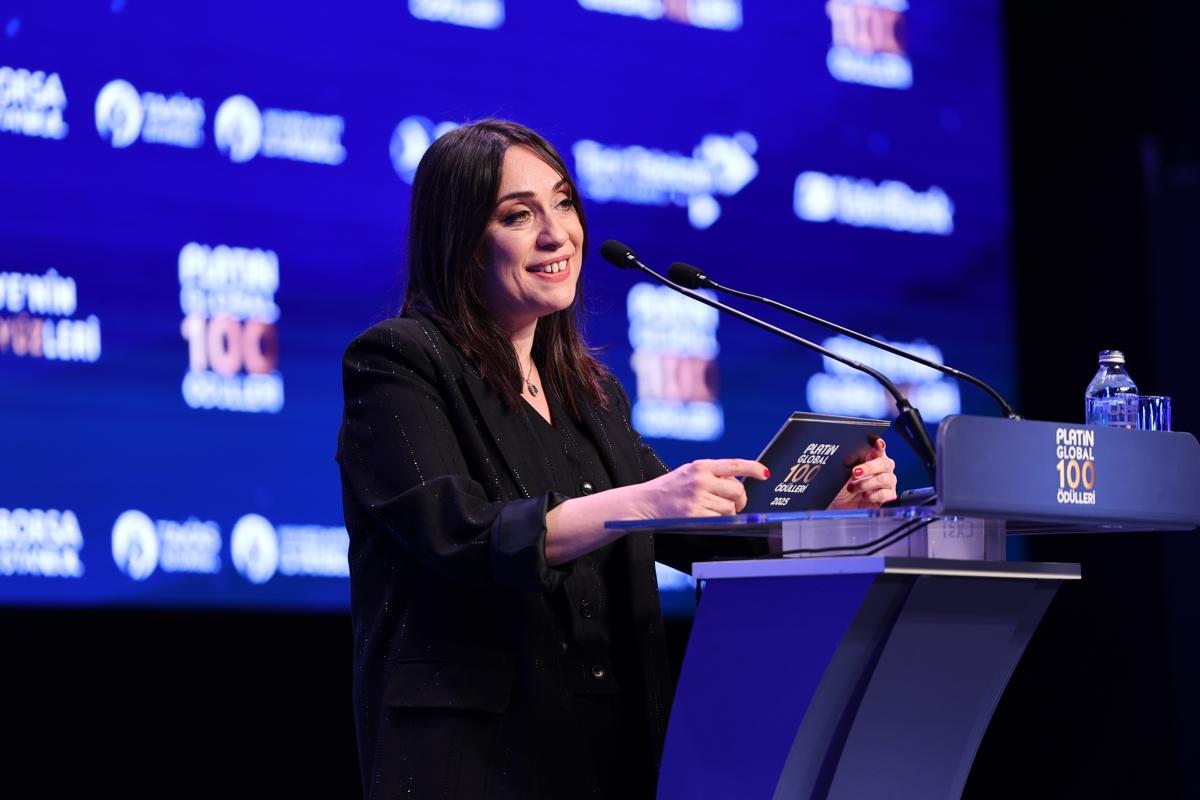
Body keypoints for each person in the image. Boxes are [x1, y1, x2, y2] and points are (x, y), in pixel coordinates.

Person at [336, 119, 898, 799]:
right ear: (458, 239)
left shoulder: (590, 394)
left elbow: (695, 535)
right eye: (519, 215)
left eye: (563, 203)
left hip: (608, 755)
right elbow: (460, 534)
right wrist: (644, 500)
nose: (557, 235)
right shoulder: (398, 362)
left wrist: (826, 513)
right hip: (474, 760)